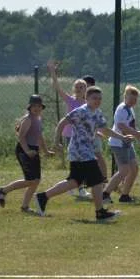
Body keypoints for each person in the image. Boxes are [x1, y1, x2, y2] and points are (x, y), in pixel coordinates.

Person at [34, 86, 133, 221]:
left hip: (86, 151)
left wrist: (122, 137)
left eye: (99, 98)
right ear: (86, 99)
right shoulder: (81, 111)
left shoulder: (97, 113)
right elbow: (62, 123)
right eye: (94, 98)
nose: (97, 101)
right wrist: (57, 141)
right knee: (97, 180)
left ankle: (42, 197)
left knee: (74, 182)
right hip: (80, 152)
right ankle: (100, 212)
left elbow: (105, 130)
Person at [0, 95, 54, 213]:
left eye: (39, 106)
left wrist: (46, 151)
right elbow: (21, 137)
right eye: (34, 106)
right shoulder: (28, 119)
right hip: (24, 150)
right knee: (31, 180)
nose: (37, 108)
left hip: (33, 150)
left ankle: (25, 206)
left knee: (36, 180)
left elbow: (40, 137)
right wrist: (27, 151)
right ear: (30, 107)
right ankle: (3, 191)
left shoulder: (38, 119)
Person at [50, 60, 94, 200]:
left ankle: (72, 185)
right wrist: (53, 72)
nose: (80, 88)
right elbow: (57, 87)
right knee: (78, 162)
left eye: (83, 86)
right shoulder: (70, 100)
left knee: (81, 162)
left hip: (84, 137)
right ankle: (77, 187)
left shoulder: (88, 104)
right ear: (74, 89)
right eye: (78, 86)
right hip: (70, 135)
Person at [103, 84, 140, 203]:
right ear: (125, 96)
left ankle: (124, 195)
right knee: (124, 170)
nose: (134, 101)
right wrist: (138, 134)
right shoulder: (122, 109)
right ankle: (105, 193)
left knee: (134, 169)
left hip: (127, 143)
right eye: (132, 98)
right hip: (119, 143)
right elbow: (121, 126)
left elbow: (132, 126)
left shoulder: (130, 110)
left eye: (136, 99)